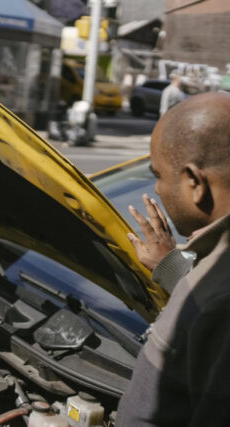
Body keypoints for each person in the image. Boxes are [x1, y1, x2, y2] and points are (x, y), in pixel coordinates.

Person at [117, 92, 230, 426]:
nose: (158, 190)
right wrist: (172, 265)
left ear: (195, 182)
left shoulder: (220, 302)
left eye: (159, 175)